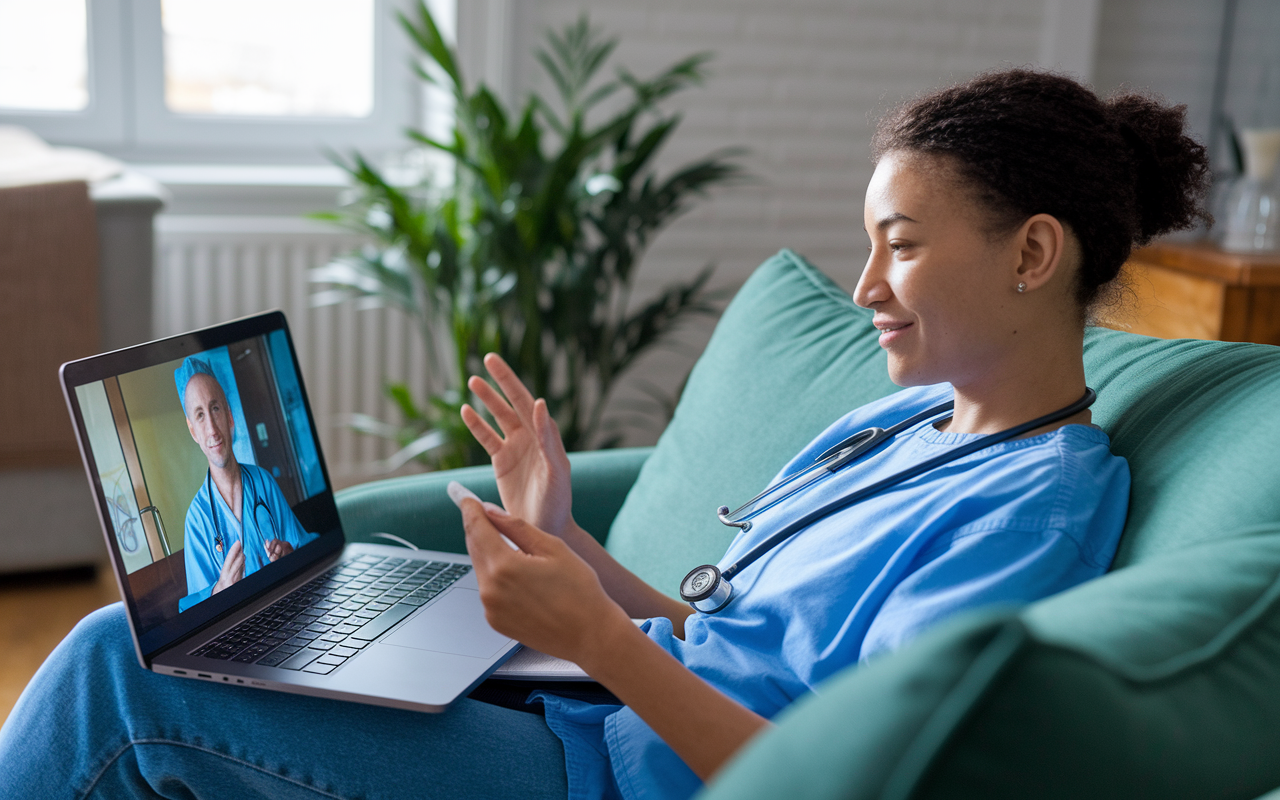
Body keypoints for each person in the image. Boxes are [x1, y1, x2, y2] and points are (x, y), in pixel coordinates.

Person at [0, 69, 1209, 798]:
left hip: (615, 775)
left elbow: (837, 772)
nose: (864, 287)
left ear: (1031, 253)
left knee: (121, 667)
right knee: (245, 633)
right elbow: (720, 631)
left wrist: (593, 635)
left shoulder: (1033, 506)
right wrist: (569, 545)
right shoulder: (895, 423)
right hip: (584, 706)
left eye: (899, 244)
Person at [175, 357, 318, 612]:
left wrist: (289, 556)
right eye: (199, 415)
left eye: (215, 409)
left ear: (230, 417)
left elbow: (308, 550)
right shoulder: (196, 520)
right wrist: (220, 590)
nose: (212, 430)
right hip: (241, 639)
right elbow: (196, 617)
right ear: (193, 432)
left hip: (288, 610)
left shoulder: (263, 482)